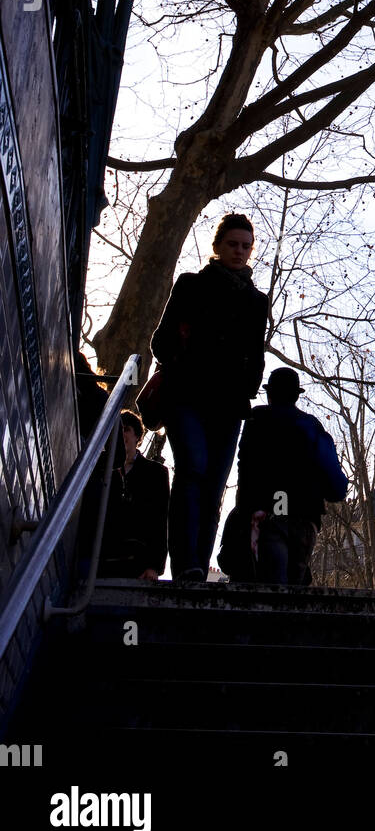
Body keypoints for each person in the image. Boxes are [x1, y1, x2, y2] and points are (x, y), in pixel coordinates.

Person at [150, 213, 269, 585]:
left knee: (214, 487)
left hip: (229, 406)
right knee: (192, 470)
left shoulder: (256, 301)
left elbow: (256, 353)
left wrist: (248, 387)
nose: (240, 251)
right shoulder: (190, 285)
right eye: (233, 244)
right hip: (186, 397)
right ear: (216, 247)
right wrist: (184, 363)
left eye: (246, 246)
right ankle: (185, 563)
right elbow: (161, 341)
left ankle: (197, 567)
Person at [224, 368, 348, 585]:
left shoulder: (257, 418)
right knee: (292, 588)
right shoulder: (311, 426)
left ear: (270, 394)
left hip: (266, 515)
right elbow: (336, 485)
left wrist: (246, 510)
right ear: (296, 396)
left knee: (273, 587)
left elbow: (244, 469)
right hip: (304, 520)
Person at [97, 410, 170, 580]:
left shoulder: (156, 474)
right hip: (102, 560)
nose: (121, 434)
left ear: (137, 436)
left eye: (126, 429)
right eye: (117, 430)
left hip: (138, 563)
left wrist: (154, 566)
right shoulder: (98, 468)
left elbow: (160, 521)